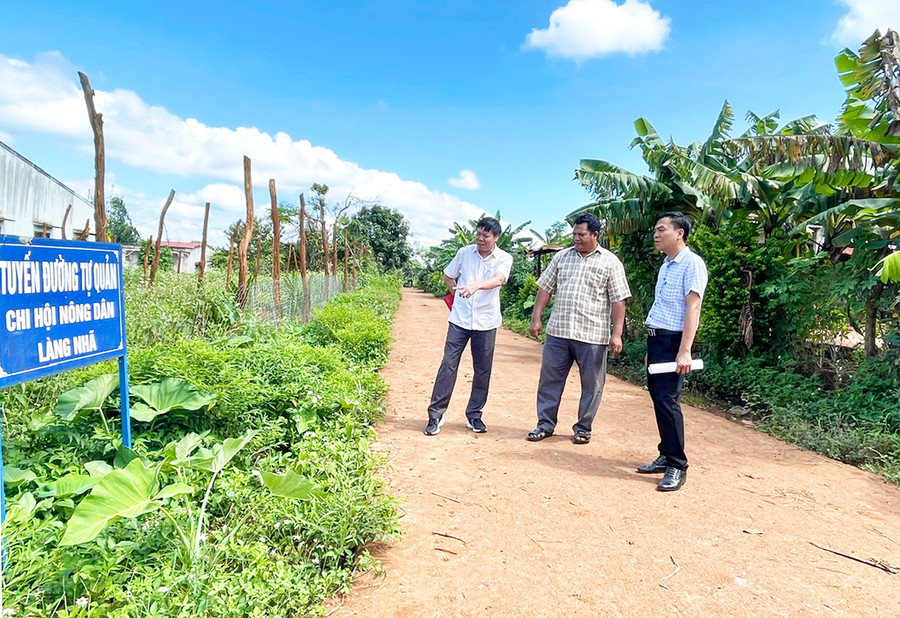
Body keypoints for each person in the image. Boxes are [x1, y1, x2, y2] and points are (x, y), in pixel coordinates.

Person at [526, 212, 630, 444]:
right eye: (574, 234)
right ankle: (545, 425)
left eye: (581, 234)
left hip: (593, 335)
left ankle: (583, 428)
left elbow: (618, 300)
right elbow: (545, 288)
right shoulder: (561, 257)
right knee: (549, 381)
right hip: (558, 332)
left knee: (592, 385)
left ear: (595, 235)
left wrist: (617, 334)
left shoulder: (610, 262)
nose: (576, 238)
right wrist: (536, 318)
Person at [637, 211, 708, 492]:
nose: (656, 234)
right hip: (657, 340)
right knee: (658, 398)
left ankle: (678, 465)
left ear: (679, 233)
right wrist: (651, 346)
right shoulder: (666, 265)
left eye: (661, 229)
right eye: (655, 230)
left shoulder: (692, 263)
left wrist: (685, 350)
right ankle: (666, 454)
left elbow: (693, 307)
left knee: (668, 400)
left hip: (674, 341)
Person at [424, 217, 513, 435]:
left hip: (486, 321)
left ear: (496, 237)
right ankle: (436, 415)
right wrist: (455, 292)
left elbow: (499, 279)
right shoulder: (464, 253)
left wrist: (475, 286)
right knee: (448, 364)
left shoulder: (504, 258)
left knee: (483, 369)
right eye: (478, 233)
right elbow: (448, 275)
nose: (480, 238)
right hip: (460, 320)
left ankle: (474, 415)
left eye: (486, 235)